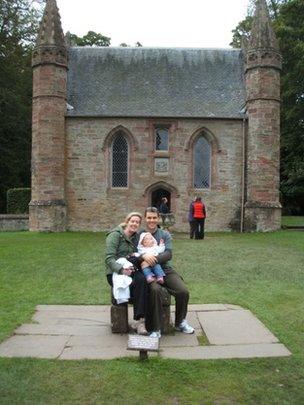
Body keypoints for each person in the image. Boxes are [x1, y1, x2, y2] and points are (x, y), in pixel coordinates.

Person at [140, 207, 194, 338]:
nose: (152, 220)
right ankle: (156, 328)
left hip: (165, 269)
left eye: (154, 217)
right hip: (148, 272)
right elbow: (136, 253)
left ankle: (180, 322)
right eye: (149, 218)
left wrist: (152, 259)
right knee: (155, 291)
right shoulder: (140, 234)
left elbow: (168, 254)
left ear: (158, 218)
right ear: (145, 218)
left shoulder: (164, 234)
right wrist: (143, 259)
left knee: (183, 291)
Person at [105, 212, 149, 335]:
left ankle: (140, 321)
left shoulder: (136, 237)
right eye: (132, 221)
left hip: (131, 269)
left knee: (142, 280)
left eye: (137, 222)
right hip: (116, 271)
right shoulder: (115, 236)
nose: (134, 224)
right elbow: (109, 258)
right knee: (138, 284)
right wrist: (121, 270)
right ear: (127, 221)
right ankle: (137, 320)